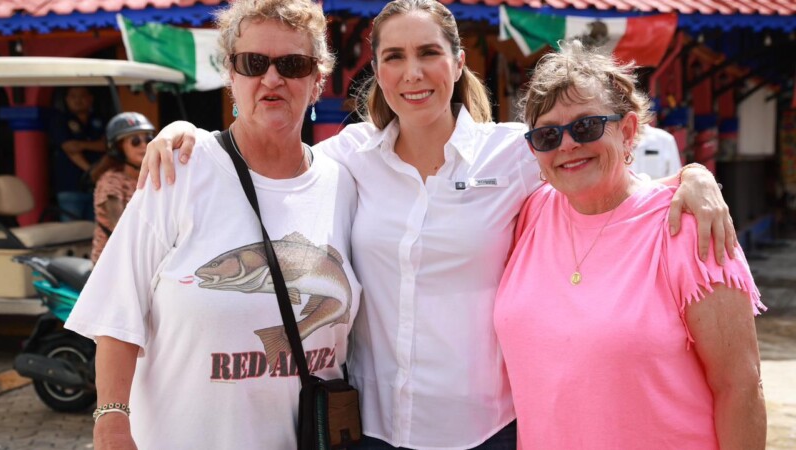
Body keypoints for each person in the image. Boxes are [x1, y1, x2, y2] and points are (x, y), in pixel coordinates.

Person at [138, 1, 734, 448]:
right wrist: (179, 134)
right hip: (371, 427)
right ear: (377, 69)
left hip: (485, 427)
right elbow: (269, 160)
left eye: (428, 53)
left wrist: (693, 179)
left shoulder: (514, 155)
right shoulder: (348, 157)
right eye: (394, 57)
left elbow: (595, 174)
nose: (412, 72)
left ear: (457, 61)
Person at [64, 1, 361, 448]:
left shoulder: (343, 184)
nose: (272, 78)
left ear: (318, 81)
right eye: (253, 62)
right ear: (231, 75)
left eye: (294, 64)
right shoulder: (180, 168)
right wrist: (111, 421)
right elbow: (116, 312)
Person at [494, 40, 766, 449]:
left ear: (628, 130)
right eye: (548, 135)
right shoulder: (530, 213)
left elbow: (739, 387)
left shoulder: (691, 230)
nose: (567, 145)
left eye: (585, 126)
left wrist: (693, 176)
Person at [89, 112, 155, 263]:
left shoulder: (155, 177)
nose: (144, 145)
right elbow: (120, 229)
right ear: (118, 148)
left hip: (145, 257)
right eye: (135, 141)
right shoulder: (111, 182)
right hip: (113, 262)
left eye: (148, 139)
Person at [48, 86, 106, 221]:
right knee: (72, 233)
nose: (78, 100)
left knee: (96, 230)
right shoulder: (60, 120)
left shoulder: (100, 119)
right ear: (67, 99)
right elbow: (69, 148)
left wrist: (80, 145)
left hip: (96, 186)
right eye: (73, 97)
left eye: (82, 96)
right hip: (70, 185)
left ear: (90, 98)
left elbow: (106, 146)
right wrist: (91, 171)